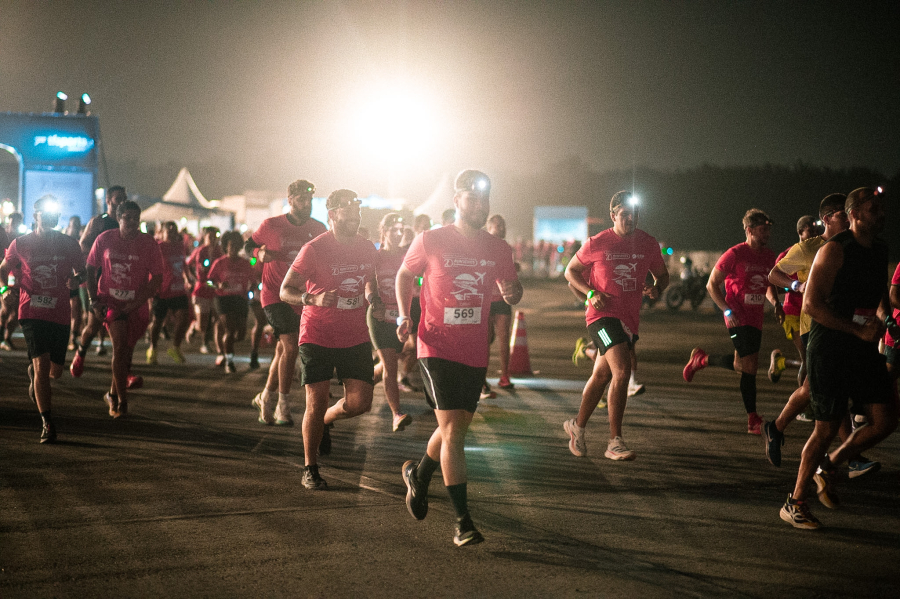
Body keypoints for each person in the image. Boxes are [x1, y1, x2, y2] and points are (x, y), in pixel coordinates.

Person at [396, 170, 522, 547]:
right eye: (472, 199)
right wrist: (405, 314)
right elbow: (404, 274)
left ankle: (419, 476)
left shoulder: (499, 248)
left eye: (484, 200)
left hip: (473, 350)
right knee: (453, 432)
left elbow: (511, 292)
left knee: (454, 430)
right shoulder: (431, 240)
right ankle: (462, 521)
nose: (480, 206)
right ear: (457, 201)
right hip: (436, 346)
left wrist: (514, 292)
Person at [779, 187, 899, 529]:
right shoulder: (834, 250)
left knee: (886, 418)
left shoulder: (880, 249)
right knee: (826, 427)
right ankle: (795, 502)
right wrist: (856, 329)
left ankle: (831, 465)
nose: (881, 212)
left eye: (882, 207)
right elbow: (811, 306)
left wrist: (886, 318)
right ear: (855, 215)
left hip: (862, 347)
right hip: (829, 347)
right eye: (873, 207)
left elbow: (878, 290)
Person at [762, 195, 878, 475]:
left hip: (839, 325)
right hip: (813, 325)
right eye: (842, 215)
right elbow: (773, 275)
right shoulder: (809, 247)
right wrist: (795, 286)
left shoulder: (850, 246)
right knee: (820, 388)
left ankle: (779, 429)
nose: (849, 219)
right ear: (827, 218)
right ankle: (850, 456)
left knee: (824, 388)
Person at [281, 189, 378, 490]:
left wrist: (372, 295)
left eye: (357, 214)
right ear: (333, 215)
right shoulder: (314, 249)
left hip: (355, 335)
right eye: (348, 214)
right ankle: (310, 467)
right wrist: (313, 298)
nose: (354, 218)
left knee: (361, 403)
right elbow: (285, 290)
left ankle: (325, 421)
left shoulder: (366, 246)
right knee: (316, 401)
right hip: (317, 334)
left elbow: (370, 277)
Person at [562, 191, 668, 461]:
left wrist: (656, 288)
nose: (630, 218)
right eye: (624, 214)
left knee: (602, 376)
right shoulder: (597, 242)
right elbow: (570, 272)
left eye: (634, 214)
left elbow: (662, 276)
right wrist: (589, 294)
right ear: (613, 216)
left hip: (629, 320)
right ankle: (614, 441)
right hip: (601, 316)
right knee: (623, 370)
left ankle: (577, 426)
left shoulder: (647, 243)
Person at [683, 209, 779, 435]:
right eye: (762, 229)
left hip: (756, 319)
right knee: (751, 368)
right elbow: (711, 285)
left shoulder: (769, 256)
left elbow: (768, 285)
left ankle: (701, 360)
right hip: (737, 317)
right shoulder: (734, 254)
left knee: (741, 366)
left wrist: (775, 303)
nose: (767, 233)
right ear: (749, 230)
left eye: (768, 229)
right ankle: (752, 419)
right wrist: (726, 310)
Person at [0, 196, 85, 442]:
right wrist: (5, 291)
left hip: (59, 313)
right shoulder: (21, 243)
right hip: (31, 312)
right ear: (35, 216)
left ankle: (35, 376)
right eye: (43, 215)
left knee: (55, 372)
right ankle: (47, 422)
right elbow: (3, 268)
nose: (48, 220)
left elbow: (82, 272)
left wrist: (76, 280)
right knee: (42, 365)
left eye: (52, 216)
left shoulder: (69, 244)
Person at [245, 180, 326, 425]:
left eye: (310, 200)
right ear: (290, 200)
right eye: (302, 199)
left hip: (300, 297)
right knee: (291, 347)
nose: (307, 204)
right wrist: (258, 254)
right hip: (274, 295)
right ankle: (284, 405)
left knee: (283, 350)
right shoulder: (272, 225)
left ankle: (265, 397)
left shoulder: (318, 228)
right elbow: (249, 244)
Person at [85, 200, 163, 418]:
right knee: (119, 348)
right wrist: (93, 300)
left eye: (135, 218)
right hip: (110, 301)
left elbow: (157, 278)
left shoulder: (149, 243)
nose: (131, 222)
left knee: (125, 354)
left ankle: (112, 392)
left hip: (137, 305)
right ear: (118, 218)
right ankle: (121, 401)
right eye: (126, 217)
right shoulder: (105, 239)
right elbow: (90, 269)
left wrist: (137, 302)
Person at [71, 186, 127, 369]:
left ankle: (123, 372)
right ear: (108, 200)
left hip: (121, 280)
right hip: (99, 280)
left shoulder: (126, 222)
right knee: (93, 326)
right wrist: (99, 258)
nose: (122, 201)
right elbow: (83, 245)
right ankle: (80, 353)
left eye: (124, 198)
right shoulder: (99, 222)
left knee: (122, 329)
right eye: (118, 198)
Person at [368, 213, 413, 432]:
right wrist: (374, 301)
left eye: (401, 230)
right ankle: (396, 414)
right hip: (379, 317)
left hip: (401, 318)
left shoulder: (408, 256)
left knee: (391, 361)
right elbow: (368, 282)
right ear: (383, 231)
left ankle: (362, 382)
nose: (397, 234)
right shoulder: (376, 256)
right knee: (391, 365)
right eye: (393, 230)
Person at [768, 215, 820, 386]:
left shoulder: (820, 251)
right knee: (807, 358)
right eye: (810, 231)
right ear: (800, 232)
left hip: (810, 313)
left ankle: (781, 363)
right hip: (792, 312)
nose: (814, 235)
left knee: (812, 358)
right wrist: (791, 288)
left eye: (816, 231)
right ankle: (806, 406)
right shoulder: (790, 254)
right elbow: (772, 281)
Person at [207, 231, 253, 373]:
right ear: (226, 246)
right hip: (223, 299)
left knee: (240, 334)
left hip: (240, 299)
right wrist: (218, 285)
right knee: (230, 329)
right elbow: (209, 281)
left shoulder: (246, 263)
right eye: (230, 245)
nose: (233, 248)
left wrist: (253, 287)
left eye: (236, 246)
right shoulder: (219, 263)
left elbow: (254, 280)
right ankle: (229, 361)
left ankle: (224, 348)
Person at [146, 221, 191, 365]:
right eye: (168, 231)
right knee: (157, 322)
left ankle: (175, 347)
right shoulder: (158, 247)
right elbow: (150, 267)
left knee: (184, 320)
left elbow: (183, 263)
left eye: (174, 231)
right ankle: (153, 348)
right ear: (163, 233)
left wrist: (188, 277)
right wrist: (150, 287)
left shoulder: (180, 246)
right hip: (162, 290)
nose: (171, 233)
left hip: (178, 289)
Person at [486, 214, 516, 390]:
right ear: (489, 228)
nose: (501, 228)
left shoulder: (506, 247)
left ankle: (505, 375)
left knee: (504, 338)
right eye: (498, 226)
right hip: (487, 299)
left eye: (503, 225)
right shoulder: (483, 246)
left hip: (503, 299)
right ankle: (481, 376)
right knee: (486, 339)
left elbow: (509, 269)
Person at [185, 227, 223, 357]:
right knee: (202, 324)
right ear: (205, 237)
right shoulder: (200, 251)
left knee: (215, 319)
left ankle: (205, 344)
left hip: (215, 290)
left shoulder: (220, 251)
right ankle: (194, 326)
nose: (213, 239)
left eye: (215, 237)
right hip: (201, 289)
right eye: (210, 237)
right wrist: (193, 278)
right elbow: (187, 264)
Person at [1, 212, 25, 350]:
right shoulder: (4, 236)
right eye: (12, 222)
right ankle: (1, 336)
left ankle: (7, 338)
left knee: (16, 312)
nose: (14, 224)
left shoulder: (22, 239)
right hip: (4, 278)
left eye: (17, 222)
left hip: (19, 278)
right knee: (5, 308)